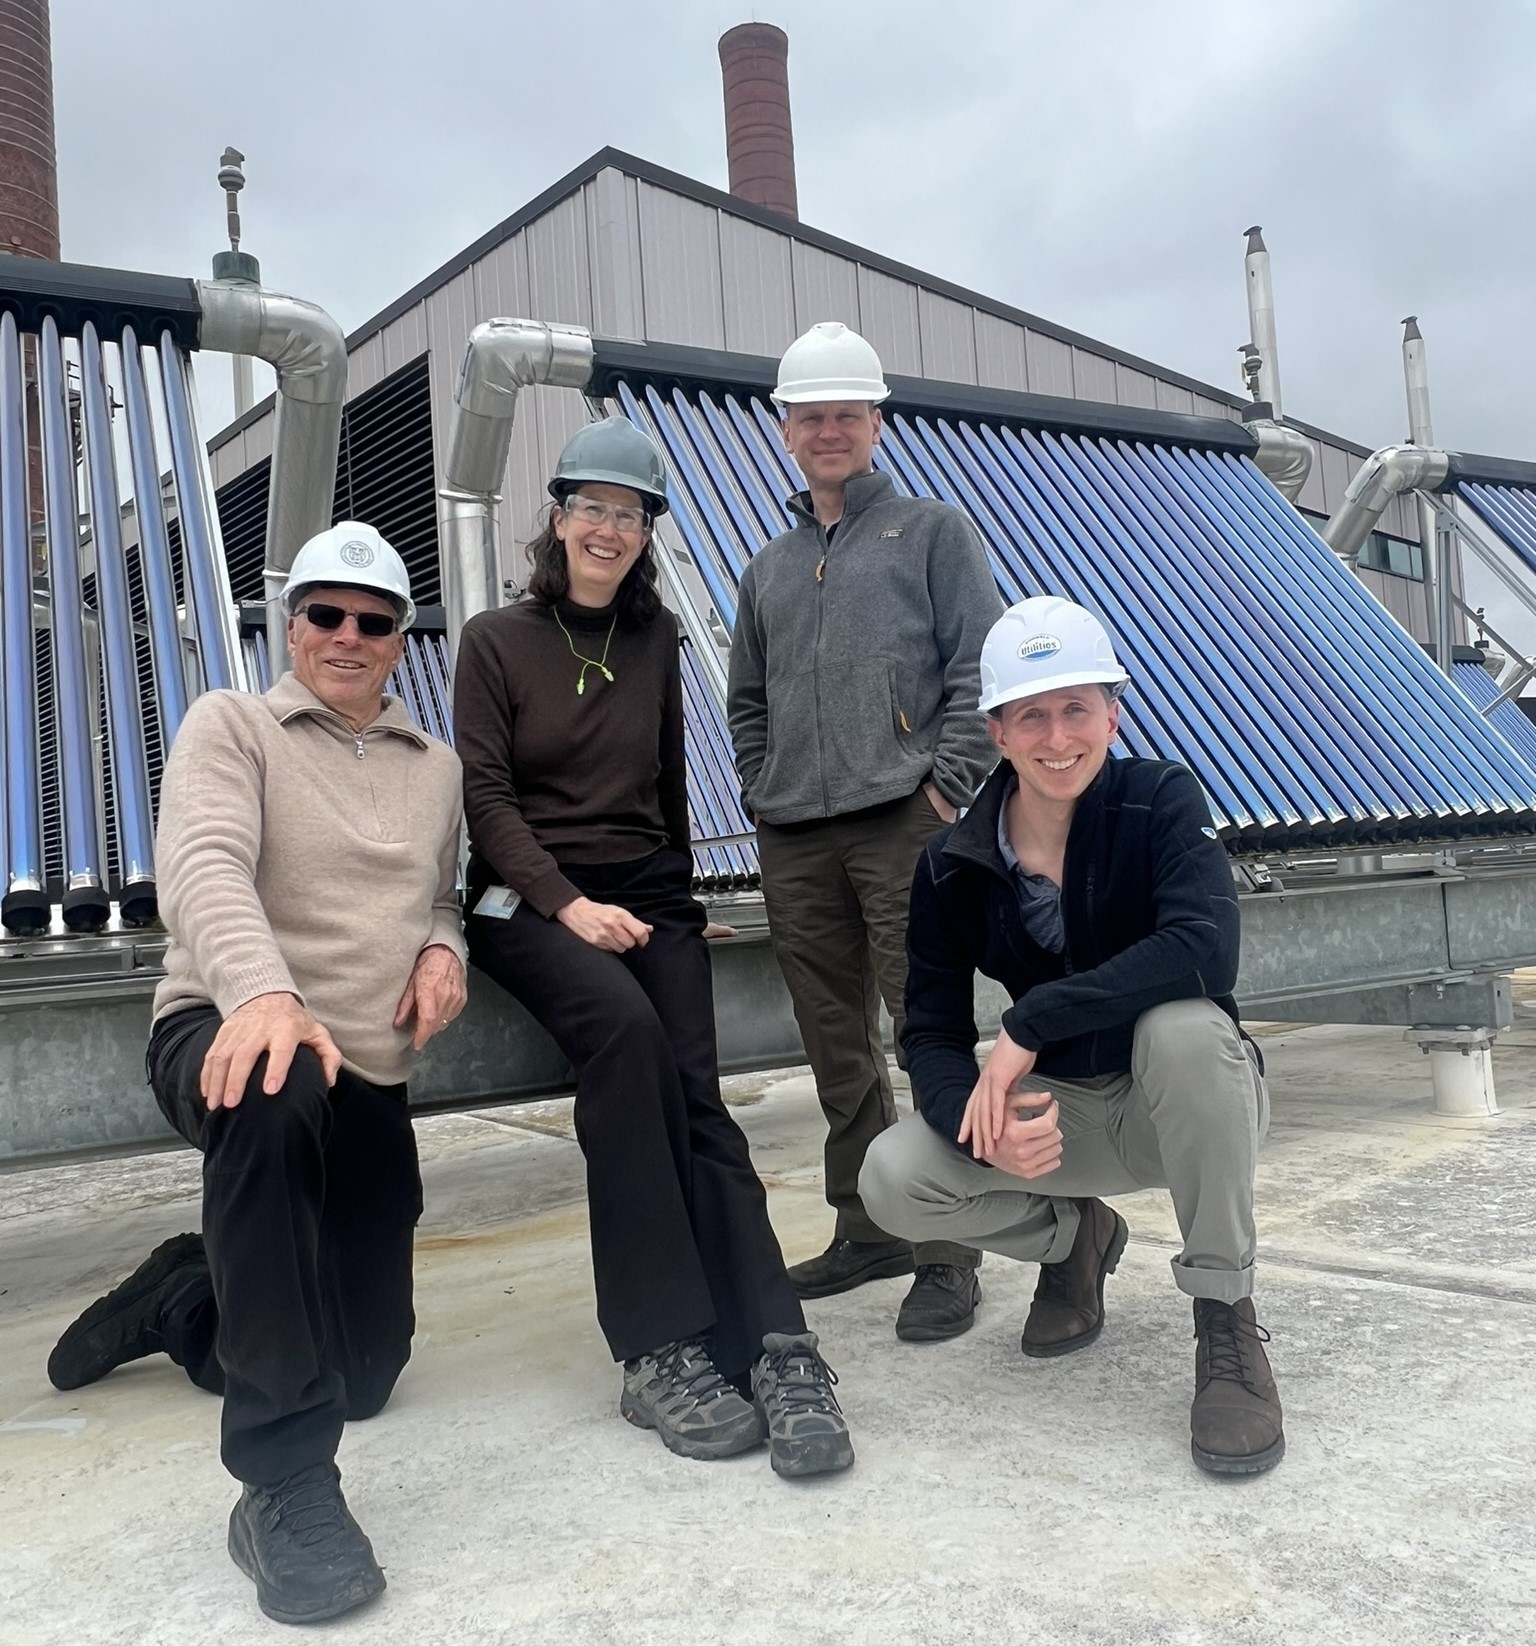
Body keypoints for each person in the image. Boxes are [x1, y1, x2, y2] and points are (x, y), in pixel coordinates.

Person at [47, 523, 468, 1622]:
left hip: (366, 1071)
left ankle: (190, 1298)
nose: (346, 634)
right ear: (292, 625)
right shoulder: (232, 724)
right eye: (324, 612)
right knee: (273, 1085)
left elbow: (438, 898)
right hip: (226, 1030)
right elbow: (200, 864)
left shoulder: (439, 768)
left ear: (398, 643)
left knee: (367, 1375)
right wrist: (264, 993)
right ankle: (282, 1485)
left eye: (373, 621)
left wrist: (443, 950)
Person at [453, 416, 852, 1481]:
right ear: (558, 515)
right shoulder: (495, 641)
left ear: (644, 533)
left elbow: (667, 787)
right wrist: (564, 903)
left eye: (629, 515)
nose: (609, 528)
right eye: (592, 507)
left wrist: (679, 902)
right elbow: (484, 798)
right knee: (625, 1041)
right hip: (521, 900)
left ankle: (775, 1340)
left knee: (696, 1090)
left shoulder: (657, 638)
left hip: (648, 895)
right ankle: (656, 1343)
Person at [858, 596, 1285, 1476]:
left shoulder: (1158, 800)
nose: (1059, 737)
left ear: (1113, 713)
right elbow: (930, 1028)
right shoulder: (952, 864)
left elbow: (1207, 950)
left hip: (1186, 1107)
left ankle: (1226, 1323)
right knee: (892, 1177)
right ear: (998, 732)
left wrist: (1029, 1021)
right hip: (1067, 1126)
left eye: (1077, 708)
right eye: (1033, 715)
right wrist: (979, 1123)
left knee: (1185, 1028)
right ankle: (1075, 1241)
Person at [726, 321, 1005, 1343]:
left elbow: (979, 667)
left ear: (875, 420)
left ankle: (947, 1246)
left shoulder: (933, 532)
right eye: (811, 415)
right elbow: (744, 700)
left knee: (924, 1027)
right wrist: (764, 787)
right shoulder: (768, 566)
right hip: (796, 832)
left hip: (904, 826)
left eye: (846, 412)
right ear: (786, 429)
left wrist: (945, 789)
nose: (828, 429)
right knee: (834, 1043)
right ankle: (866, 1226)